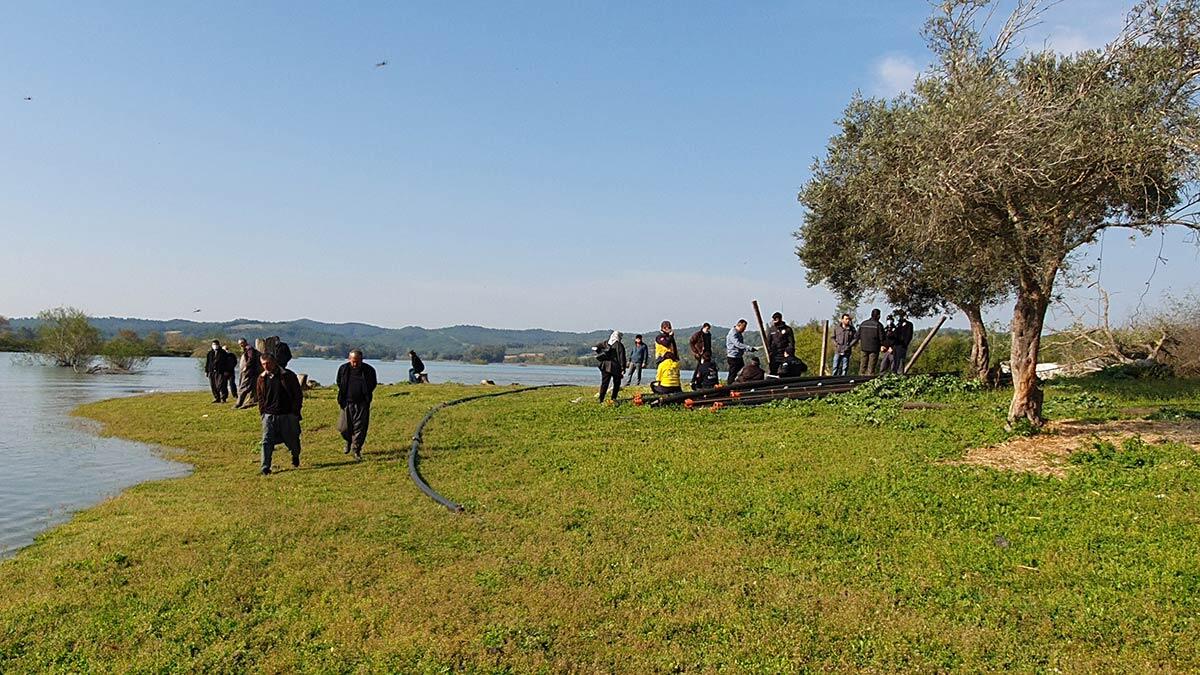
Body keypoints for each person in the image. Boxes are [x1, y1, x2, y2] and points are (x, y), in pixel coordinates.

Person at [256, 352, 303, 475]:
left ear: (274, 362)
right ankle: (265, 467)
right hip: (269, 415)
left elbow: (298, 395)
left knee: (292, 439)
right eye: (263, 364)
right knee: (266, 441)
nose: (266, 366)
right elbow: (260, 397)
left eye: (268, 363)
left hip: (287, 414)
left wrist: (295, 412)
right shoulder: (261, 378)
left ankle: (295, 455)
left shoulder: (288, 376)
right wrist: (263, 412)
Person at [336, 349, 377, 461]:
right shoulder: (343, 369)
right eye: (353, 361)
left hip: (362, 403)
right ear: (349, 359)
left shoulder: (369, 370)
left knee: (360, 428)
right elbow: (339, 382)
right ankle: (348, 440)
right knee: (343, 427)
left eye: (357, 362)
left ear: (361, 360)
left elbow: (373, 384)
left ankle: (356, 449)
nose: (355, 364)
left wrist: (365, 394)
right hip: (346, 403)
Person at [594, 331, 627, 403]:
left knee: (604, 383)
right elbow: (622, 357)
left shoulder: (605, 343)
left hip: (605, 366)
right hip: (616, 367)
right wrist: (623, 368)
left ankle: (601, 399)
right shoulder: (619, 345)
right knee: (617, 384)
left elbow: (596, 347)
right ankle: (613, 398)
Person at [651, 321, 682, 395]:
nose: (670, 329)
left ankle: (668, 388)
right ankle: (664, 387)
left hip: (672, 359)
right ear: (663, 328)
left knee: (673, 374)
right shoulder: (659, 337)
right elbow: (666, 344)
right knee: (662, 375)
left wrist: (676, 357)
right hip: (662, 358)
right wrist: (671, 336)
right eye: (669, 328)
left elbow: (673, 347)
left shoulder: (670, 337)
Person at [725, 319, 757, 385]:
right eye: (743, 327)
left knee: (742, 371)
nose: (744, 329)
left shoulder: (739, 333)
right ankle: (729, 387)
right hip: (733, 357)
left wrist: (749, 349)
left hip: (738, 356)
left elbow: (741, 346)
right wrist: (748, 347)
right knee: (733, 373)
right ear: (739, 325)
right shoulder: (733, 333)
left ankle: (739, 384)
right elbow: (737, 344)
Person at [764, 312, 795, 376]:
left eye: (776, 319)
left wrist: (789, 352)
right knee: (773, 371)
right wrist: (770, 352)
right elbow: (768, 342)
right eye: (774, 319)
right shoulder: (771, 329)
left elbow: (791, 342)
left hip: (785, 354)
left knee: (786, 371)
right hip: (775, 355)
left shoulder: (787, 329)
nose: (774, 321)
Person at [235, 338, 262, 409]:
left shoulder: (249, 349)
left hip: (249, 372)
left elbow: (251, 358)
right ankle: (252, 400)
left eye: (241, 343)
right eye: (239, 344)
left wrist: (246, 366)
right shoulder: (246, 350)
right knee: (252, 387)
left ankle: (239, 403)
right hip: (249, 372)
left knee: (243, 388)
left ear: (245, 342)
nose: (240, 345)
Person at [858, 308, 884, 375]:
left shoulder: (863, 323)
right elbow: (882, 338)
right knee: (871, 368)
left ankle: (859, 379)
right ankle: (869, 381)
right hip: (874, 349)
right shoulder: (878, 325)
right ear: (878, 316)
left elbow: (857, 335)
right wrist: (882, 345)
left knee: (862, 366)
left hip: (863, 347)